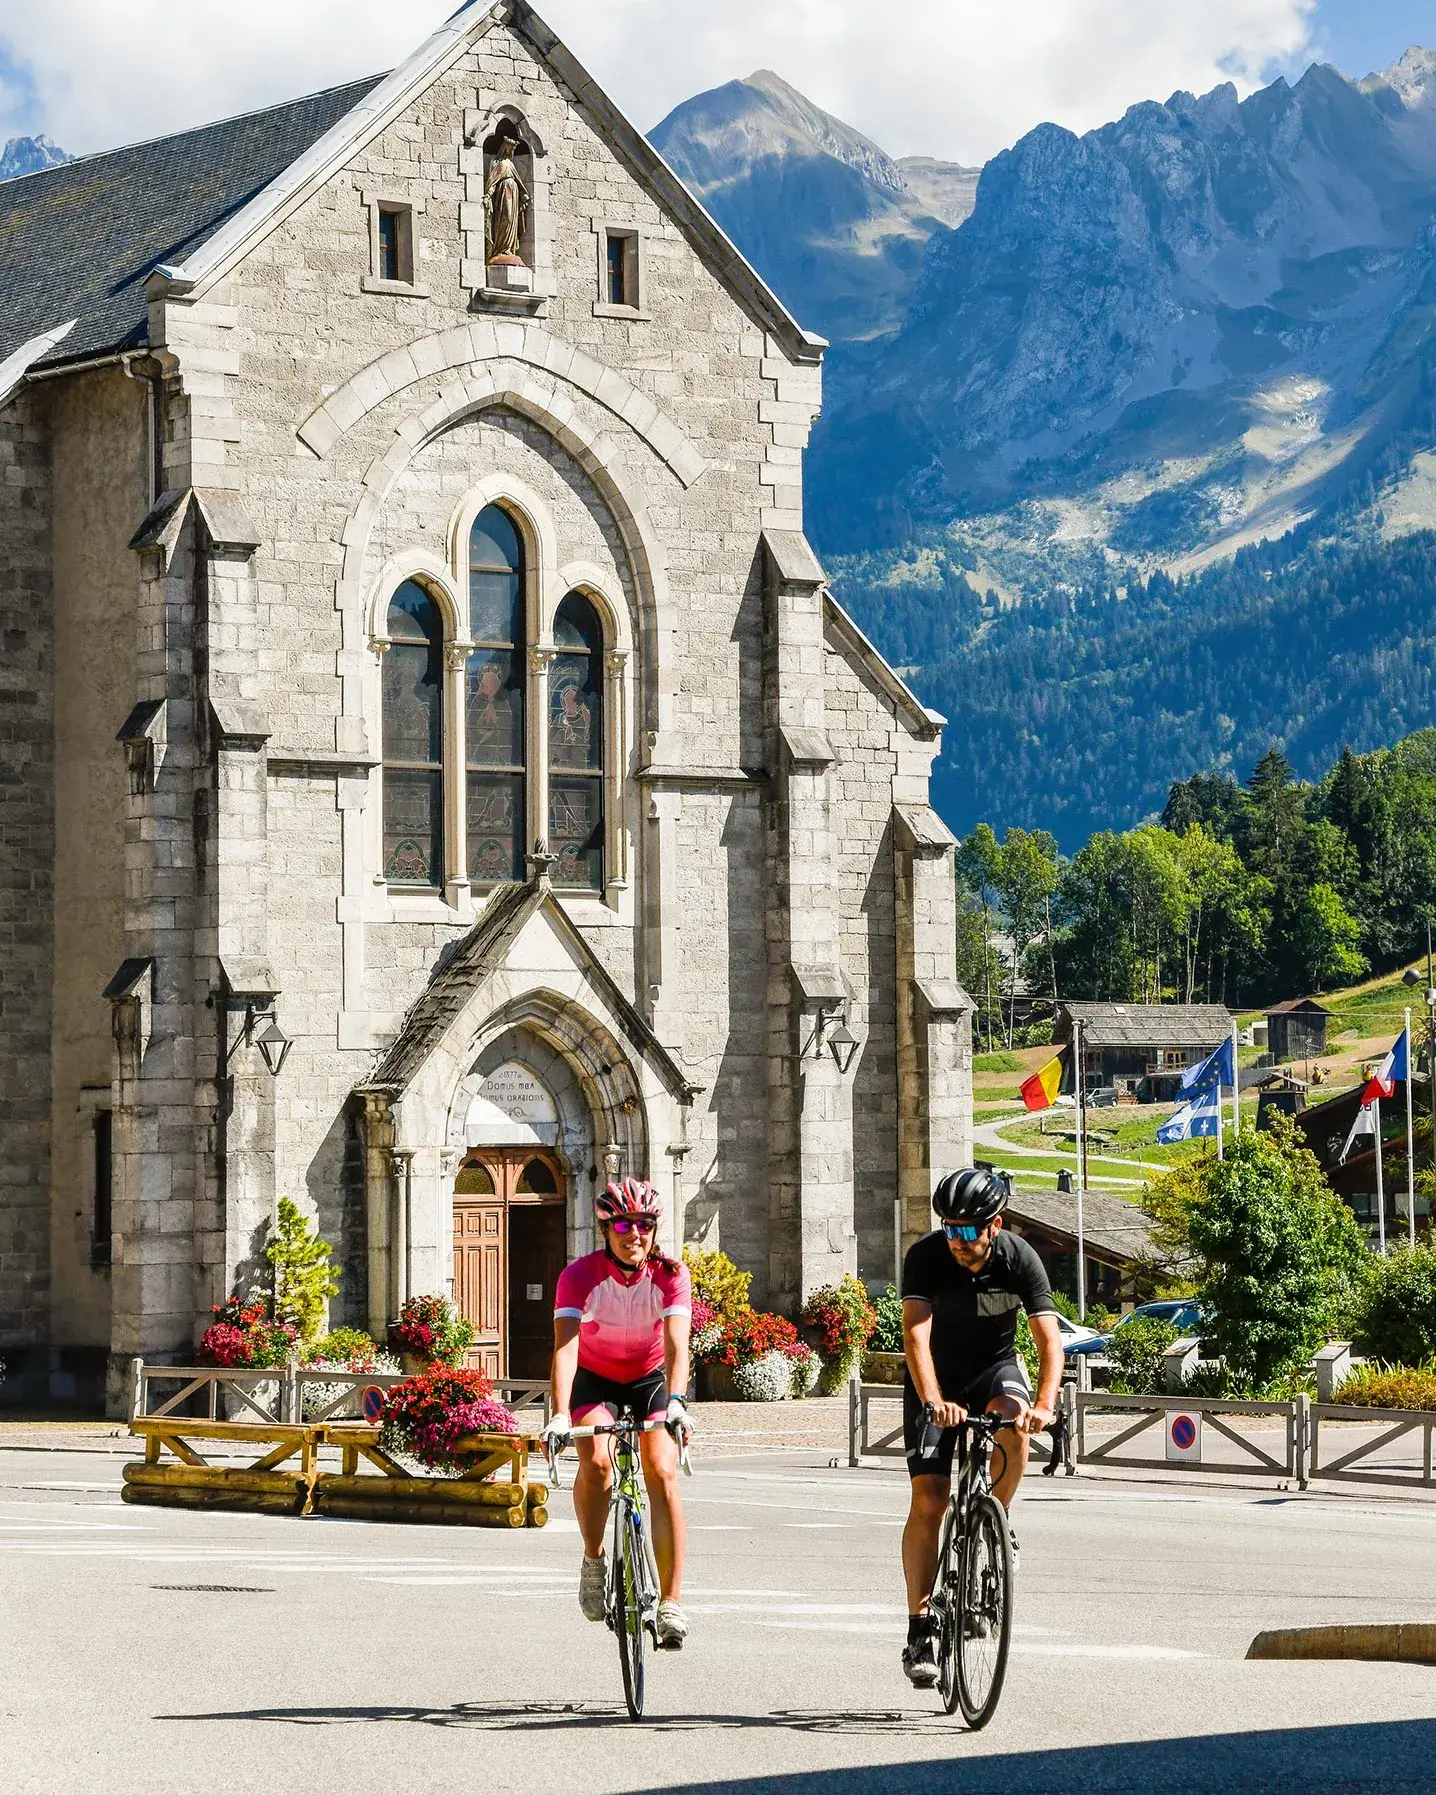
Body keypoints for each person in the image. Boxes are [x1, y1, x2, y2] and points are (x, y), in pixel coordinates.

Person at [899, 1167, 1063, 1688]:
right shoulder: (925, 1257)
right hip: (935, 1381)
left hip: (995, 1369)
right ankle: (921, 1626)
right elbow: (915, 1337)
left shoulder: (1019, 1258)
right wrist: (933, 1400)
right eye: (949, 1228)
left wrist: (1043, 1405)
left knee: (1016, 1429)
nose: (958, 1241)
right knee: (930, 1498)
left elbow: (1048, 1343)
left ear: (995, 1225)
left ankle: (995, 1515)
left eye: (969, 1230)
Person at [542, 1176, 694, 1648]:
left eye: (645, 1224)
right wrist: (561, 1414)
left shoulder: (670, 1274)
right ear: (606, 1229)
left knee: (662, 1472)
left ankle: (670, 1602)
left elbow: (676, 1347)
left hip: (650, 1380)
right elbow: (565, 1350)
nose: (636, 1234)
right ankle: (594, 1559)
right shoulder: (579, 1276)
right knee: (598, 1461)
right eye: (625, 1224)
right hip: (596, 1379)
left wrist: (677, 1402)